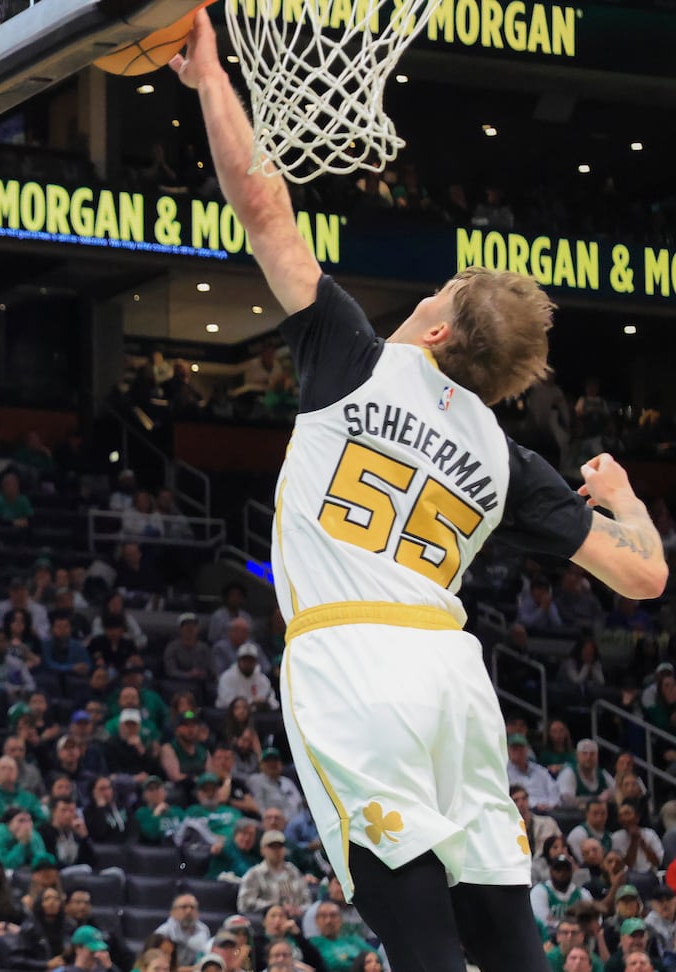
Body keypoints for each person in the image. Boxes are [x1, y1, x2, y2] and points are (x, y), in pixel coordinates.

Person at [170, 11, 665, 972]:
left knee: (420, 935)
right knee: (502, 922)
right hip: (452, 670)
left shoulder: (353, 359)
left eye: (435, 295)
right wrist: (625, 497)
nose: (424, 299)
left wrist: (212, 84)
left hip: (352, 660)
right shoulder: (506, 459)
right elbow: (644, 579)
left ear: (437, 330)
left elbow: (263, 208)